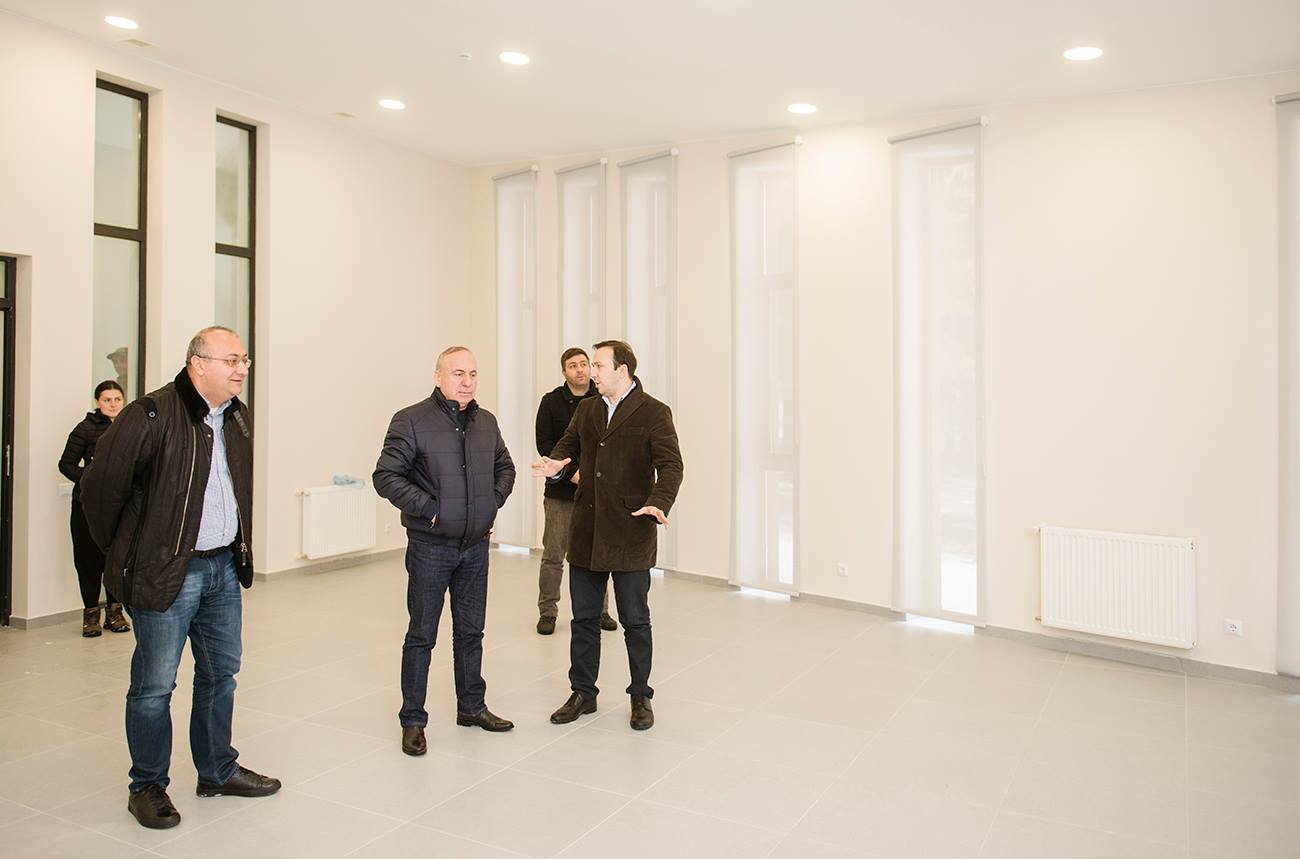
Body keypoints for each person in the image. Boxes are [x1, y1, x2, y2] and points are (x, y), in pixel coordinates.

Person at [80, 326, 279, 830]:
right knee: (154, 686)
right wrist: (129, 554)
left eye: (245, 360)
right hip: (166, 571)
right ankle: (147, 786)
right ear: (198, 364)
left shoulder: (235, 416)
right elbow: (99, 491)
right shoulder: (150, 414)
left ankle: (217, 770)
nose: (242, 369)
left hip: (222, 567)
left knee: (220, 674)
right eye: (232, 360)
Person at [374, 345, 517, 758]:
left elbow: (505, 467)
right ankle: (413, 720)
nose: (467, 382)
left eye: (472, 374)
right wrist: (432, 510)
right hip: (430, 548)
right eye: (458, 373)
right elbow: (386, 475)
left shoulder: (486, 422)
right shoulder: (411, 420)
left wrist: (491, 503)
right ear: (438, 377)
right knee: (422, 635)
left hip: (475, 547)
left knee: (471, 632)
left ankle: (471, 707)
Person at [533, 340, 683, 731]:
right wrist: (556, 464)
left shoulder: (654, 412)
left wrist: (658, 502)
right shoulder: (587, 409)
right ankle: (583, 693)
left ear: (622, 370)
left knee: (635, 621)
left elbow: (671, 466)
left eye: (598, 365)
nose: (591, 372)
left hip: (631, 531)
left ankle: (640, 696)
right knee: (583, 619)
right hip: (587, 530)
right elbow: (568, 445)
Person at [534, 347, 616, 636]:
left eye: (584, 364)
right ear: (564, 371)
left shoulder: (603, 399)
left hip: (596, 492)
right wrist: (572, 474)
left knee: (597, 553)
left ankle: (601, 610)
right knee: (553, 555)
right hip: (560, 492)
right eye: (573, 365)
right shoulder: (551, 402)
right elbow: (545, 445)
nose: (580, 370)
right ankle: (547, 611)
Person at [59, 380, 130, 637]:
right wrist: (92, 478)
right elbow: (66, 464)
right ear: (97, 402)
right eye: (107, 400)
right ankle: (91, 615)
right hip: (87, 506)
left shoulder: (129, 427)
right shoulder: (85, 429)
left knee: (116, 560)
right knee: (88, 561)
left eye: (117, 399)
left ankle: (115, 613)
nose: (113, 404)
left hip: (120, 506)